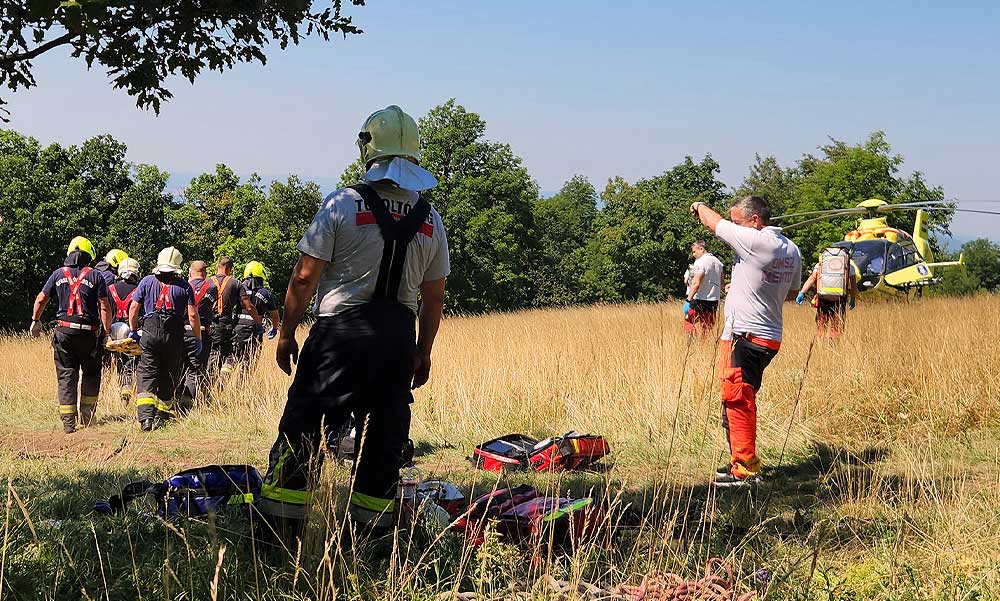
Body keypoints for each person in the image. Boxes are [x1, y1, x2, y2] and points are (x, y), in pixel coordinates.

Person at [259, 105, 450, 546]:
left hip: (339, 338)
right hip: (396, 342)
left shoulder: (343, 203)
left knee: (303, 429)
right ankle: (371, 543)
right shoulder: (430, 220)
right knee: (384, 441)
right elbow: (434, 297)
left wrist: (287, 332)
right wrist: (423, 350)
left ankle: (278, 538)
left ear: (368, 148)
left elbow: (304, 277)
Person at [690, 196, 801, 488]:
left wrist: (699, 206)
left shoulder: (756, 241)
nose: (735, 230)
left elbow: (714, 224)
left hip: (745, 335)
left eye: (738, 222)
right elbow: (790, 293)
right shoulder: (791, 248)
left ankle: (745, 469)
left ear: (755, 221)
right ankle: (739, 459)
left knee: (737, 399)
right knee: (741, 397)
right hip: (769, 336)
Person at [29, 236, 113, 433]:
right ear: (88, 255)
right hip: (89, 335)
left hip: (64, 333)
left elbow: (41, 299)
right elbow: (104, 306)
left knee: (66, 374)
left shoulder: (57, 274)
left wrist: (35, 321)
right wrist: (107, 332)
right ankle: (87, 418)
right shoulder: (96, 276)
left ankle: (68, 423)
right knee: (91, 374)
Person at [128, 247, 202, 431]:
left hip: (150, 334)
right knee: (168, 374)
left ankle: (146, 419)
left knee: (147, 373)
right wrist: (198, 338)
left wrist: (133, 330)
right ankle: (162, 416)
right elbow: (193, 315)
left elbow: (134, 308)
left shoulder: (146, 281)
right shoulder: (185, 286)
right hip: (174, 337)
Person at [208, 257, 261, 379]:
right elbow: (248, 306)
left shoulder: (207, 282)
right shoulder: (235, 283)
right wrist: (258, 322)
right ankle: (217, 384)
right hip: (226, 326)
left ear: (217, 266)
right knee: (226, 355)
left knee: (211, 353)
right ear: (229, 269)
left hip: (209, 325)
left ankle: (205, 386)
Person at [179, 260, 218, 407]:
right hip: (201, 333)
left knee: (179, 367)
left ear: (190, 273)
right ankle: (187, 404)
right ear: (205, 273)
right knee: (195, 369)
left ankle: (175, 400)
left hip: (182, 331)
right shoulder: (212, 287)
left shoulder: (182, 285)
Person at [797, 248, 859, 339]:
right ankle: (833, 349)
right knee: (836, 327)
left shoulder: (821, 265)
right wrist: (853, 299)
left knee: (821, 326)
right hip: (839, 299)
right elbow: (853, 286)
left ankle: (819, 347)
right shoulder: (848, 266)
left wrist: (802, 293)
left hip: (823, 298)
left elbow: (811, 279)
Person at [233, 261, 281, 371]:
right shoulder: (265, 293)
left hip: (237, 329)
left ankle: (221, 385)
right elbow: (275, 316)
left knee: (231, 360)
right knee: (249, 363)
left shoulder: (238, 289)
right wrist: (274, 327)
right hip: (254, 331)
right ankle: (243, 386)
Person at [109, 257, 142, 402]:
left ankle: (123, 387)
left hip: (113, 331)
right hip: (132, 330)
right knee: (131, 361)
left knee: (118, 361)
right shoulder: (139, 290)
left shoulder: (110, 289)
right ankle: (128, 388)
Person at [683, 240, 723, 337]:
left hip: (699, 299)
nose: (693, 254)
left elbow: (696, 283)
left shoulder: (700, 262)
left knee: (688, 322)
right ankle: (704, 349)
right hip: (713, 300)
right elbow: (721, 283)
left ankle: (691, 344)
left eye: (694, 251)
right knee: (707, 329)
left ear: (701, 249)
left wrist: (688, 300)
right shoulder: (718, 263)